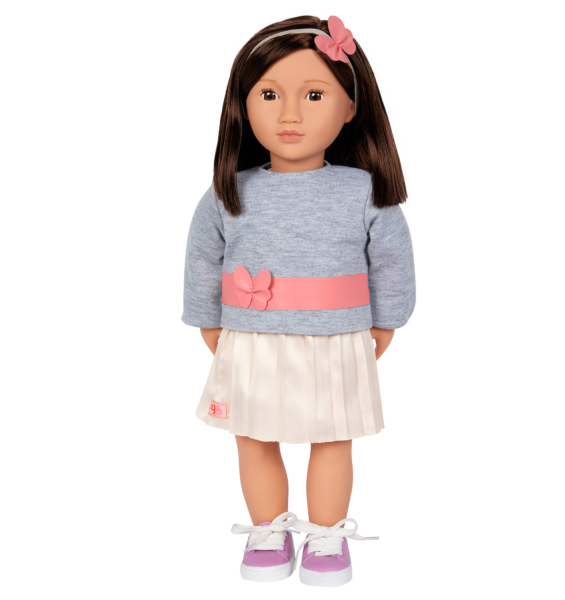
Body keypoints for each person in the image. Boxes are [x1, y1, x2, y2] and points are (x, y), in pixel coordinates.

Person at [181, 13, 416, 587]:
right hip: (251, 338)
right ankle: (268, 530)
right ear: (242, 105)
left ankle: (327, 535)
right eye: (269, 94)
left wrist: (387, 323)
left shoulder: (365, 190)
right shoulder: (227, 192)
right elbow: (202, 259)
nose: (290, 115)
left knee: (332, 437)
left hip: (337, 337)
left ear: (350, 106)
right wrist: (208, 323)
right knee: (253, 437)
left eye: (314, 94)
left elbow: (392, 261)